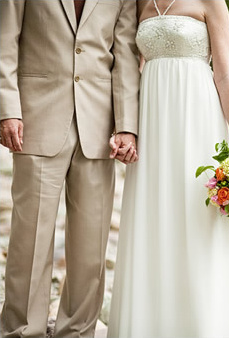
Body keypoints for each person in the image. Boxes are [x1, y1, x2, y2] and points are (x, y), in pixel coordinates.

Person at [107, 0, 229, 337]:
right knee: (154, 214)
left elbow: (224, 73)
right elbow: (132, 69)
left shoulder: (211, 2)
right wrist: (127, 126)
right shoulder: (141, 3)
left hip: (198, 117)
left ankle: (205, 324)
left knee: (197, 216)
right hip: (153, 118)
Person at [0, 1, 140, 337]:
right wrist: (8, 108)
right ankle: (22, 330)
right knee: (29, 237)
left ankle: (78, 331)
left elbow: (124, 55)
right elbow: (5, 42)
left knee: (91, 245)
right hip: (36, 117)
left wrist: (127, 125)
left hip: (99, 124)